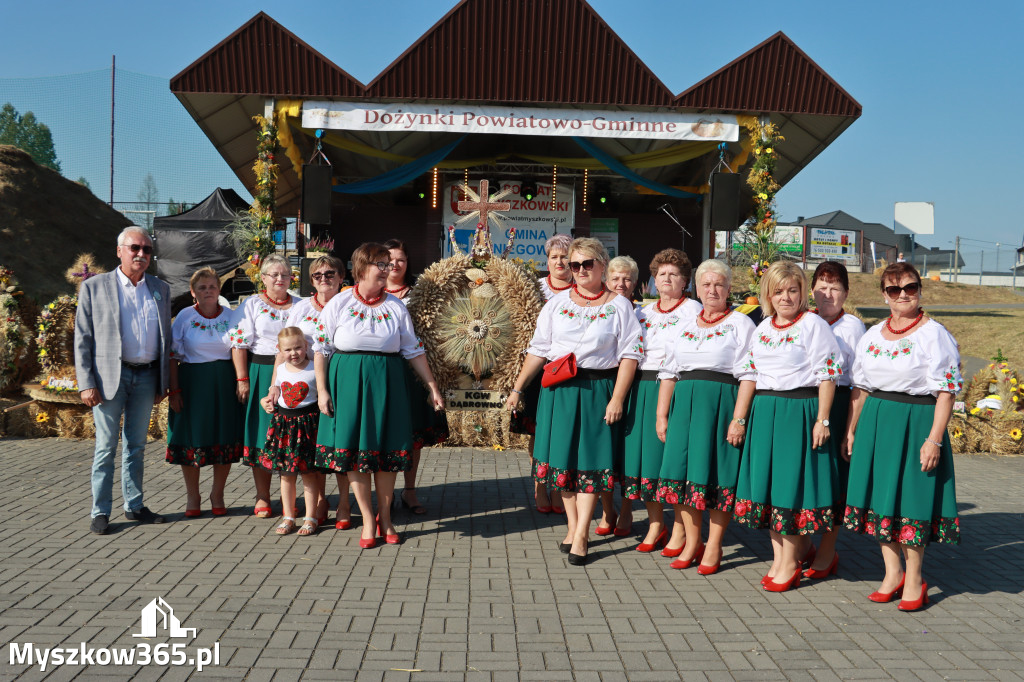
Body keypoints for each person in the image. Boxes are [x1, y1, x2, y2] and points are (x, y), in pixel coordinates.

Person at [505, 237, 643, 566]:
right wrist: (518, 388)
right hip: (559, 391)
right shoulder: (556, 304)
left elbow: (629, 356)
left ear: (602, 266)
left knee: (590, 466)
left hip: (598, 390)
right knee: (563, 465)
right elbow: (539, 349)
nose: (580, 270)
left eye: (587, 264)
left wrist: (617, 398)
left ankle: (581, 533)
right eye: (574, 265)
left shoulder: (619, 306)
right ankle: (572, 526)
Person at [843, 263, 962, 611]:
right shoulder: (873, 334)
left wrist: (934, 439)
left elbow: (947, 391)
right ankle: (892, 573)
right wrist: (850, 430)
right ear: (884, 295)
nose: (903, 295)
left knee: (911, 501)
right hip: (877, 423)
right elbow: (861, 387)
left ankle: (914, 578)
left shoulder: (934, 334)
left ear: (920, 289)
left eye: (909, 288)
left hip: (916, 422)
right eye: (894, 290)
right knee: (882, 500)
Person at [313, 243, 444, 549]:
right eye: (380, 265)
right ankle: (368, 519)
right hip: (347, 380)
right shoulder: (340, 303)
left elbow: (413, 350)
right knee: (358, 454)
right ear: (361, 268)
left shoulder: (396, 307)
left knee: (386, 456)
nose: (387, 270)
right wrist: (322, 391)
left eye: (388, 264)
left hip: (388, 381)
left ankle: (386, 518)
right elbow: (321, 349)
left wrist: (433, 387)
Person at [733, 260, 842, 592]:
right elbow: (749, 376)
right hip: (766, 412)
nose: (785, 297)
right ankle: (780, 558)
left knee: (790, 488)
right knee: (770, 489)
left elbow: (828, 375)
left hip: (799, 411)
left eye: (793, 290)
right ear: (768, 293)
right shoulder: (763, 328)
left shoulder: (812, 325)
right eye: (778, 291)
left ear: (802, 293)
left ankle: (791, 563)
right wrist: (739, 418)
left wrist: (822, 419)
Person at [655, 259, 755, 574]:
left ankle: (714, 544)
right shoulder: (684, 325)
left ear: (728, 289)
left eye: (719, 284)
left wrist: (738, 418)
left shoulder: (740, 324)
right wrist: (661, 414)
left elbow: (749, 375)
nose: (712, 290)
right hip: (684, 406)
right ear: (697, 288)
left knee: (716, 474)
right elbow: (669, 372)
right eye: (706, 284)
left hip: (720, 404)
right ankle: (692, 540)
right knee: (680, 475)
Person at [75, 225, 171, 535]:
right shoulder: (95, 288)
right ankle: (100, 511)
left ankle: (134, 506)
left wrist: (162, 381)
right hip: (107, 380)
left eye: (147, 250)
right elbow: (83, 338)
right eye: (135, 248)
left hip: (145, 378)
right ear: (120, 251)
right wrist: (85, 382)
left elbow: (164, 337)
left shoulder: (160, 288)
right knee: (105, 448)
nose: (141, 254)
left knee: (137, 447)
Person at [621, 249, 701, 555]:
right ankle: (656, 523)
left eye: (673, 274)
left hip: (674, 387)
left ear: (685, 280)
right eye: (660, 274)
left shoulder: (692, 310)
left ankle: (680, 529)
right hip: (641, 387)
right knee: (644, 462)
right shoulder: (644, 312)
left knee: (673, 462)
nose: (666, 279)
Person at [277, 255, 351, 529]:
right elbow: (283, 347)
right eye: (317, 275)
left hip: (342, 377)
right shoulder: (301, 309)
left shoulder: (348, 303)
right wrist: (275, 386)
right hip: (307, 387)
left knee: (341, 441)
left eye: (330, 273)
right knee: (313, 447)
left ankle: (344, 502)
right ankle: (319, 500)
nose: (324, 279)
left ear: (341, 276)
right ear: (311, 281)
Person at [802, 261, 866, 579]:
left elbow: (859, 383)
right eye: (822, 286)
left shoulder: (852, 327)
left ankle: (827, 552)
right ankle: (802, 545)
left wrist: (849, 429)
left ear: (845, 293)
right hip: (803, 403)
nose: (827, 294)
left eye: (835, 288)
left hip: (838, 405)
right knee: (805, 477)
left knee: (833, 480)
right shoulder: (802, 319)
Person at [165, 267, 242, 517]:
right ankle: (192, 496)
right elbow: (173, 357)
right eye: (202, 288)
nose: (208, 291)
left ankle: (217, 494)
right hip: (192, 382)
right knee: (192, 438)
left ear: (219, 290)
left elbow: (239, 349)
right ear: (192, 292)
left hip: (224, 381)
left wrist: (242, 380)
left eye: (212, 287)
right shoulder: (185, 317)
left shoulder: (231, 317)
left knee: (223, 437)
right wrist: (174, 390)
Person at [229, 254, 301, 518]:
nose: (280, 279)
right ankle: (262, 496)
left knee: (291, 434)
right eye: (274, 275)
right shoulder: (252, 304)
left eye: (285, 274)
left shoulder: (300, 304)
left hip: (295, 372)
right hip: (261, 370)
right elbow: (239, 342)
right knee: (263, 434)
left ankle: (290, 497)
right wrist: (243, 378)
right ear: (263, 277)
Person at [382, 238, 449, 515]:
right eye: (389, 260)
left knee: (412, 435)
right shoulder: (368, 294)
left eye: (401, 259)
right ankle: (383, 496)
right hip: (383, 369)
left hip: (413, 370)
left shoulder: (419, 293)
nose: (395, 264)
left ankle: (409, 491)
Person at [516, 233, 573, 515]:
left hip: (573, 370)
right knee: (537, 430)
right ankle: (540, 485)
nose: (560, 262)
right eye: (554, 257)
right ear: (546, 261)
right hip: (541, 368)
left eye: (565, 256)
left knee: (564, 431)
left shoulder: (583, 288)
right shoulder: (535, 289)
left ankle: (561, 486)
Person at [260, 327, 323, 536]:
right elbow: (274, 390)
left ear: (306, 346)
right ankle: (288, 516)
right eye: (288, 349)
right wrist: (267, 400)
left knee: (308, 474)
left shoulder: (315, 368)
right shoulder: (281, 368)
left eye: (298, 347)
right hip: (284, 426)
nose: (293, 353)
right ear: (279, 350)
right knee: (286, 475)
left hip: (307, 426)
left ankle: (311, 517)